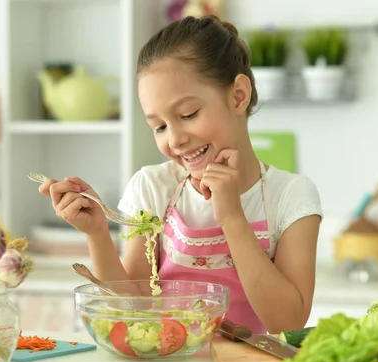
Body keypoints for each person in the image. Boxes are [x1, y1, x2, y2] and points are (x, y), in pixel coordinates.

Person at [38, 15, 322, 334]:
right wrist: (97, 234)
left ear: (238, 96)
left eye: (188, 115)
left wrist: (231, 216)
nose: (174, 140)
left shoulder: (291, 196)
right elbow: (131, 311)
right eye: (159, 126)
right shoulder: (152, 188)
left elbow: (288, 321)